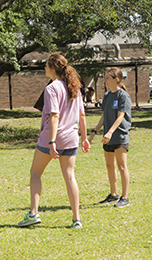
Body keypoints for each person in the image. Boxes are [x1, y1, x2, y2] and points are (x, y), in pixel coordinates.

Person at [18, 54, 90, 229]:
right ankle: (76, 219)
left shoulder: (52, 88)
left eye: (45, 66)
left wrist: (51, 142)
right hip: (72, 139)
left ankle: (33, 213)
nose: (44, 68)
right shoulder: (75, 87)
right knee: (70, 177)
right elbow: (81, 115)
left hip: (53, 139)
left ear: (52, 68)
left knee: (35, 173)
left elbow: (54, 115)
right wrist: (85, 138)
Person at [88, 67, 131, 208]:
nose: (105, 80)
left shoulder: (123, 96)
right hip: (108, 137)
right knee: (109, 166)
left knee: (121, 166)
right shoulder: (107, 95)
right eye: (105, 77)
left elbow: (121, 117)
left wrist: (110, 132)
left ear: (116, 79)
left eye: (107, 78)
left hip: (119, 136)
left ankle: (125, 198)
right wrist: (94, 131)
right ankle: (114, 195)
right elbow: (104, 116)